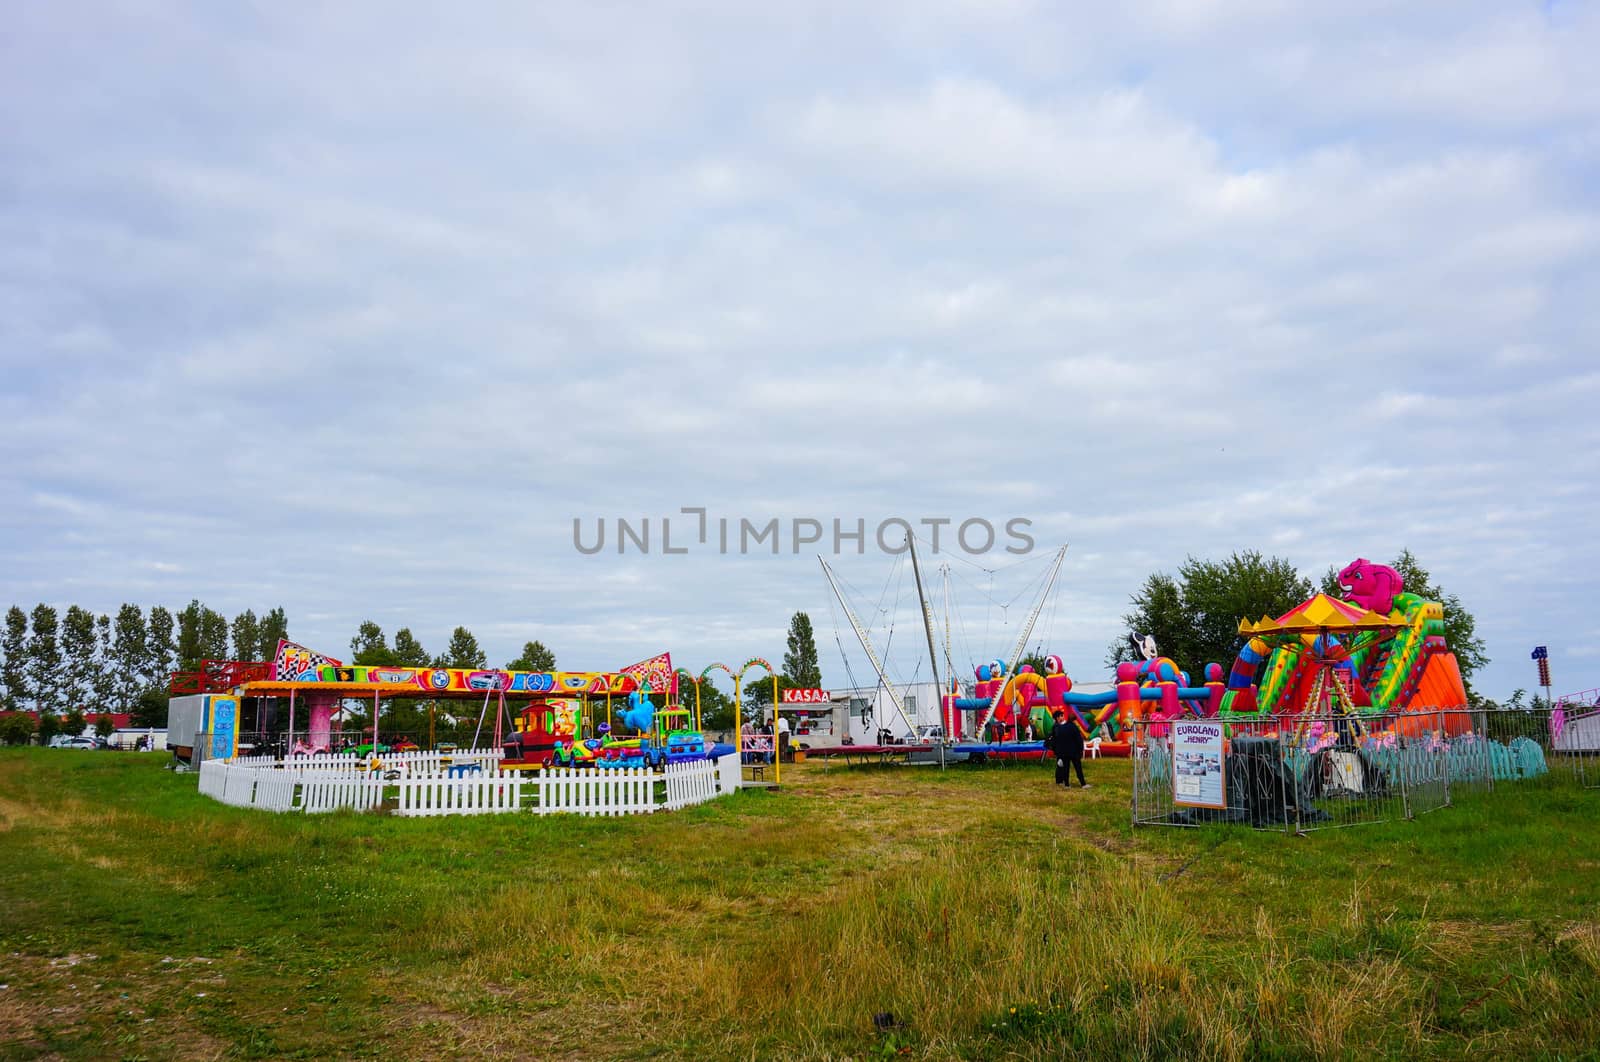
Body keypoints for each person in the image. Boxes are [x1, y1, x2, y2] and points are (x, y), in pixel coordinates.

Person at [1049, 711, 1089, 789]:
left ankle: (1066, 784)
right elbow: (1079, 740)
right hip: (1073, 752)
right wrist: (1081, 750)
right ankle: (1083, 784)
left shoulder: (1061, 727)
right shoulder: (1071, 727)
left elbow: (1058, 741)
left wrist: (1058, 752)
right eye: (1061, 716)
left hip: (1064, 752)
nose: (1062, 717)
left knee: (1065, 768)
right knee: (1078, 768)